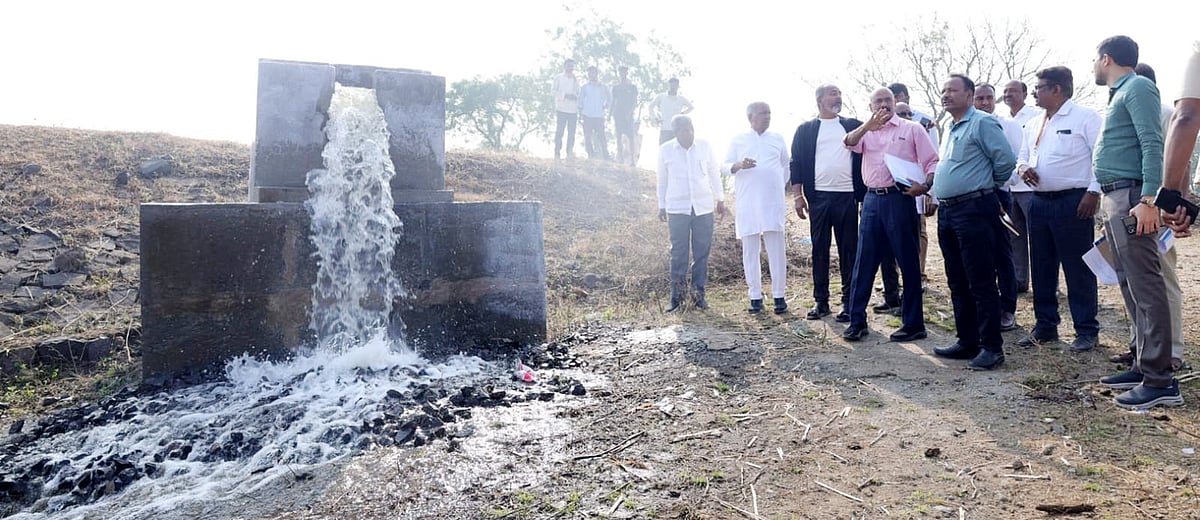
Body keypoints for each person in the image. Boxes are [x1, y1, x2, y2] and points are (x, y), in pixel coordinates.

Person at [1090, 35, 1179, 409]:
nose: (1092, 66)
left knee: (1146, 283)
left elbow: (1151, 143)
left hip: (1131, 197)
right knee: (1128, 283)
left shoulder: (1138, 86)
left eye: (1094, 60)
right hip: (1116, 196)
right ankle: (1143, 363)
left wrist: (1148, 199)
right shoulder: (1120, 93)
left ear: (1106, 58)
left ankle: (1160, 380)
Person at [1014, 66, 1103, 353]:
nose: (1035, 93)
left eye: (1039, 87)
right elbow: (1022, 155)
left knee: (1078, 268)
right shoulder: (1033, 123)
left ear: (1057, 89)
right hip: (1038, 202)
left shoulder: (1085, 118)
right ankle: (1046, 326)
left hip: (1074, 201)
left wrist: (1093, 191)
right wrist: (1023, 167)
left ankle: (1086, 329)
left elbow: (1099, 158)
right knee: (1041, 266)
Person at [930, 74, 1016, 371]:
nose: (946, 95)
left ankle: (992, 347)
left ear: (969, 94)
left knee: (980, 280)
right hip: (949, 212)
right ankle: (967, 340)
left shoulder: (982, 122)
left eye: (952, 90)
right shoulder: (952, 128)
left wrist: (985, 188)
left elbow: (1005, 160)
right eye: (943, 90)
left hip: (975, 209)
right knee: (957, 279)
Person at [840, 87, 939, 342]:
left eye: (888, 100)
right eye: (878, 101)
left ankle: (914, 323)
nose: (884, 104)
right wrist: (867, 126)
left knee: (908, 262)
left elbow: (932, 161)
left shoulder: (912, 129)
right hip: (872, 200)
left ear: (896, 102)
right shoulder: (866, 131)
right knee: (864, 262)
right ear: (871, 105)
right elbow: (849, 142)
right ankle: (857, 320)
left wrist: (926, 186)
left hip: (901, 199)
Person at [789, 85, 865, 321]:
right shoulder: (806, 130)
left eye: (840, 93)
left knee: (848, 250)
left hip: (847, 196)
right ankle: (821, 302)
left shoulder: (853, 125)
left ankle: (848, 302)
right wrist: (798, 196)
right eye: (833, 93)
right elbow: (796, 163)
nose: (838, 97)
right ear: (820, 100)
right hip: (818, 197)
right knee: (819, 248)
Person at [724, 102, 791, 315]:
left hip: (772, 201)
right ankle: (755, 296)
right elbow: (724, 167)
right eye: (763, 113)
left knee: (777, 250)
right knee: (750, 250)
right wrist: (738, 165)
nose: (767, 116)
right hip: (748, 202)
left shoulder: (777, 138)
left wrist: (774, 186)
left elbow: (786, 166)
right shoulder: (738, 139)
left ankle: (779, 295)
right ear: (750, 116)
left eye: (769, 113)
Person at [657, 115, 726, 312]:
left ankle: (698, 296)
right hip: (677, 208)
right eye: (683, 130)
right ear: (675, 132)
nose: (688, 133)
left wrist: (720, 198)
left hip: (703, 207)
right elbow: (662, 180)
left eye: (690, 129)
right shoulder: (665, 150)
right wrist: (661, 205)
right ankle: (676, 298)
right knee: (678, 253)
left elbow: (713, 172)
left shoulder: (704, 146)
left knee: (701, 252)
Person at [972, 83, 1023, 331]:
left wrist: (995, 184)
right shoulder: (967, 125)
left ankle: (1007, 308)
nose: (984, 102)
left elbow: (1014, 161)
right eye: (979, 98)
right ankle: (985, 307)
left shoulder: (1008, 126)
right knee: (979, 256)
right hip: (972, 200)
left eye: (988, 98)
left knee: (1003, 255)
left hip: (998, 196)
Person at [1000, 80, 1042, 296]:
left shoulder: (1036, 116)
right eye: (1005, 91)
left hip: (1030, 186)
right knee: (1015, 236)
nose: (1009, 95)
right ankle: (1020, 279)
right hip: (1009, 188)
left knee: (1038, 237)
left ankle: (1046, 284)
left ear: (1025, 94)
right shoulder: (1002, 119)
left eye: (1013, 91)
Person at [578, 66, 611, 160]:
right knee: (587, 136)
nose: (591, 75)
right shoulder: (584, 87)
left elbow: (610, 97)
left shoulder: (603, 87)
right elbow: (580, 100)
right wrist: (580, 113)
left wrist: (607, 105)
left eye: (593, 73)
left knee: (602, 136)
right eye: (589, 73)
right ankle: (590, 155)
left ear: (597, 74)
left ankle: (606, 155)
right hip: (587, 115)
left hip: (599, 115)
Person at [649, 78, 695, 145]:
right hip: (665, 128)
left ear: (677, 86)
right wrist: (655, 118)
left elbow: (691, 107)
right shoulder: (661, 97)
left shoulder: (681, 98)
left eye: (675, 85)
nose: (673, 87)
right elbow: (650, 107)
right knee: (663, 149)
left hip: (677, 130)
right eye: (672, 85)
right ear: (669, 85)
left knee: (678, 149)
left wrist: (682, 114)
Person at [612, 65, 640, 166]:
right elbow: (614, 101)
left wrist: (630, 112)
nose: (622, 73)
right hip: (618, 114)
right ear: (619, 73)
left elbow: (635, 101)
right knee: (618, 137)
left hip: (628, 115)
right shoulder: (616, 87)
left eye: (624, 71)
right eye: (621, 72)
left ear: (627, 73)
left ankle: (632, 160)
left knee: (631, 137)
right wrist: (610, 114)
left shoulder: (632, 87)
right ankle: (620, 159)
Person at [553, 59, 580, 160]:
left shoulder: (576, 79)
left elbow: (579, 93)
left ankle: (569, 152)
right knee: (560, 131)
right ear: (564, 66)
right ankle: (557, 153)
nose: (570, 68)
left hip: (573, 110)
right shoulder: (559, 78)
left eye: (572, 66)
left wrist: (575, 96)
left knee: (571, 132)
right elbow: (553, 91)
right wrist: (565, 95)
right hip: (561, 109)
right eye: (568, 66)